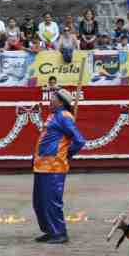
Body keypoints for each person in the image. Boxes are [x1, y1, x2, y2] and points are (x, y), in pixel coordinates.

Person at [33, 89, 85, 244]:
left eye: (54, 98)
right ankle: (50, 231)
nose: (50, 100)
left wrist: (66, 154)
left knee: (51, 202)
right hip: (42, 165)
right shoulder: (53, 116)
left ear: (61, 102)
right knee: (39, 202)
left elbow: (79, 140)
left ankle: (60, 233)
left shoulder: (64, 116)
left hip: (54, 167)